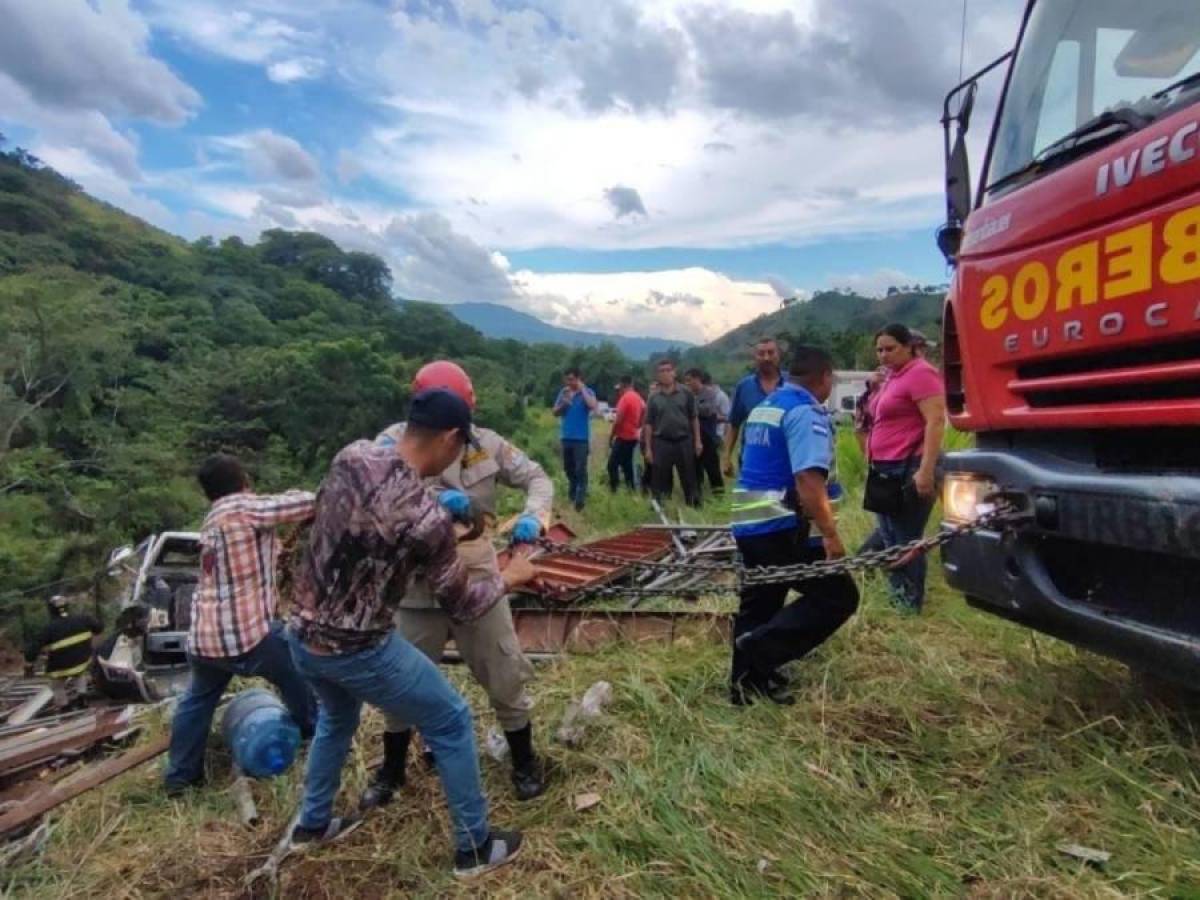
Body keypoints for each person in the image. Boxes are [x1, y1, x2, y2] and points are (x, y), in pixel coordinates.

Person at [288, 389, 538, 877]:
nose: (457, 457)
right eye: (458, 447)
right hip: (358, 646)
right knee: (450, 719)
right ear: (448, 438)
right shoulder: (426, 522)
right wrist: (509, 577)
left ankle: (311, 827)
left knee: (337, 718)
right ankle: (473, 848)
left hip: (300, 636)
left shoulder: (350, 456)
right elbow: (463, 604)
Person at [367, 361, 554, 806]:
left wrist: (532, 514)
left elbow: (537, 477)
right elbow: (377, 492)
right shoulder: (389, 443)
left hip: (475, 573)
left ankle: (524, 760)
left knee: (503, 668)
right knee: (402, 681)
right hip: (414, 584)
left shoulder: (486, 444)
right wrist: (432, 498)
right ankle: (391, 770)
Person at [164, 454, 317, 796]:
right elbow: (308, 502)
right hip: (248, 635)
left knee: (196, 702)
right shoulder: (246, 509)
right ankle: (314, 737)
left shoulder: (212, 521)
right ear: (244, 479)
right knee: (299, 666)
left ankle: (180, 778)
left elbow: (257, 554)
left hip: (204, 640)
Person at [729, 346, 859, 706]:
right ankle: (761, 648)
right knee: (839, 596)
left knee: (760, 603)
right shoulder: (805, 412)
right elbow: (807, 479)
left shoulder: (765, 407)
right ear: (826, 378)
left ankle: (745, 686)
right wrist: (830, 534)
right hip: (781, 523)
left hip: (750, 521)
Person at [866, 324, 946, 612]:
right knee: (888, 535)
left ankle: (908, 604)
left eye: (890, 348)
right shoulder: (892, 378)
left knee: (905, 538)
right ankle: (897, 595)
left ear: (908, 346)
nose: (883, 355)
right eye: (879, 349)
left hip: (908, 465)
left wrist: (925, 470)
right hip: (884, 467)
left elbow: (935, 421)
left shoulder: (921, 373)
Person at [24, 595, 103, 708]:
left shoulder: (49, 629)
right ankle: (82, 697)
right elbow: (99, 627)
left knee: (57, 685)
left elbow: (33, 649)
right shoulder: (83, 619)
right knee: (80, 673)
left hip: (60, 667)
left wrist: (29, 664)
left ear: (50, 610)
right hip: (82, 661)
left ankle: (64, 706)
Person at [643, 359, 702, 507]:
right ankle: (660, 509)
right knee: (659, 479)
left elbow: (694, 418)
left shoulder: (686, 392)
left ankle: (694, 507)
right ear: (658, 375)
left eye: (668, 370)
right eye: (661, 371)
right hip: (661, 442)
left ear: (674, 372)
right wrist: (648, 449)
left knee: (689, 477)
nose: (665, 373)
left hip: (684, 441)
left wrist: (698, 441)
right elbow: (649, 424)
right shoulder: (653, 397)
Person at [724, 337, 783, 477]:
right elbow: (734, 425)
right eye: (761, 354)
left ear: (778, 355)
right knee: (754, 499)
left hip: (786, 461)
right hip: (751, 463)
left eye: (771, 352)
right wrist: (726, 457)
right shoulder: (744, 387)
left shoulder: (792, 385)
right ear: (754, 357)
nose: (766, 358)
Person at [553, 368, 597, 511]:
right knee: (568, 468)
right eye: (567, 379)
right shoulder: (564, 392)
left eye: (572, 379)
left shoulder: (588, 392)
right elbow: (555, 412)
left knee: (580, 469)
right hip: (566, 437)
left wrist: (582, 390)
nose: (569, 382)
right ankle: (573, 494)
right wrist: (564, 403)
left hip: (581, 438)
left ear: (578, 378)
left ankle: (580, 500)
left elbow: (592, 406)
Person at [684, 368, 724, 495]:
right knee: (695, 470)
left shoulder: (710, 393)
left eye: (689, 380)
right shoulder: (687, 395)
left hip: (708, 438)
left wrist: (690, 408)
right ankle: (697, 498)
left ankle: (719, 496)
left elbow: (707, 411)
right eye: (686, 381)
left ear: (697, 379)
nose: (687, 383)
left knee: (713, 470)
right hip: (692, 439)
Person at [607, 375, 645, 492]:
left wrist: (611, 436)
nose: (619, 392)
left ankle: (614, 490)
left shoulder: (625, 398)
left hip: (623, 437)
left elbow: (618, 421)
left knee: (612, 465)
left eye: (619, 389)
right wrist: (638, 425)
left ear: (623, 385)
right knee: (626, 464)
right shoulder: (638, 398)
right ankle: (631, 489)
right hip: (633, 437)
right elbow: (645, 410)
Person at [709, 373, 731, 441]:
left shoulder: (722, 396)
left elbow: (728, 418)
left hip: (719, 433)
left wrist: (726, 438)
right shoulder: (708, 395)